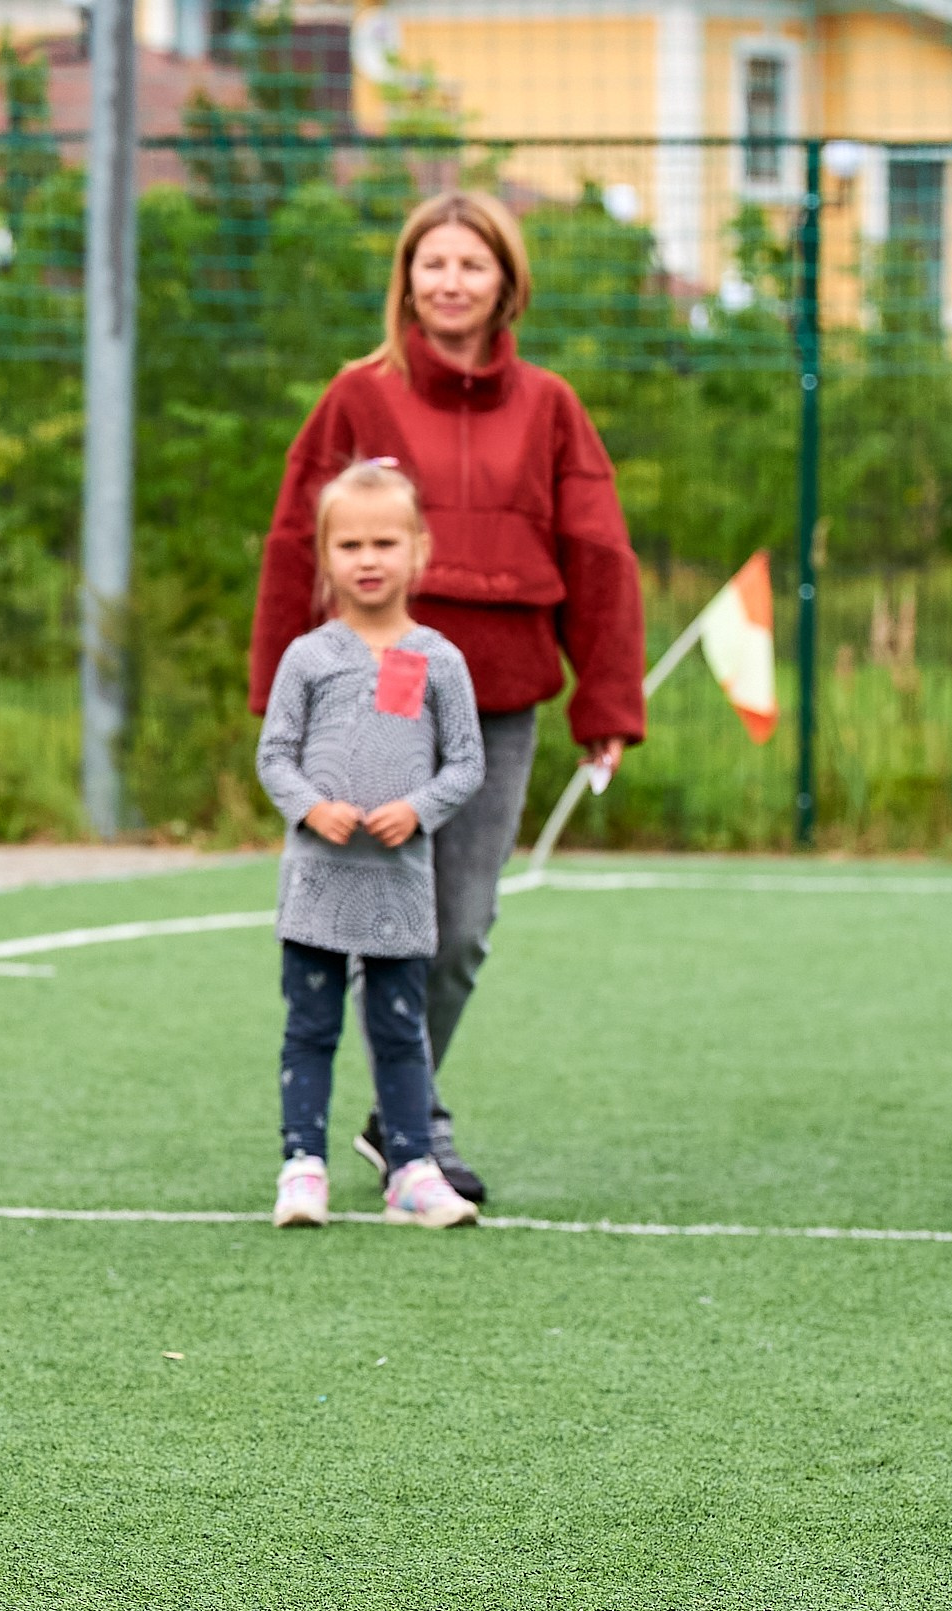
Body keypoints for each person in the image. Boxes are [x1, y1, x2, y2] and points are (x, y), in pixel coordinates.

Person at [247, 190, 646, 1202]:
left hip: (495, 701)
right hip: (359, 703)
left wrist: (606, 704)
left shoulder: (550, 406)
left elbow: (597, 553)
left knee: (455, 929)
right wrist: (276, 688)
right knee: (334, 931)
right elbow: (299, 536)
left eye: (472, 264)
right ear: (407, 281)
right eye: (432, 264)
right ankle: (366, 1135)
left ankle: (397, 1120)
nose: (451, 281)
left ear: (506, 283)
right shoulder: (357, 395)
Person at [256, 460, 486, 1230]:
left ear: (419, 549)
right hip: (317, 885)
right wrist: (310, 807)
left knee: (399, 1029)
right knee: (309, 1028)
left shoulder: (441, 660)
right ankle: (302, 1165)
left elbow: (467, 764)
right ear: (325, 557)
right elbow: (274, 756)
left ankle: (412, 1169)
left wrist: (417, 810)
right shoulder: (308, 657)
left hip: (399, 886)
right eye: (349, 543)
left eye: (386, 541)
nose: (368, 558)